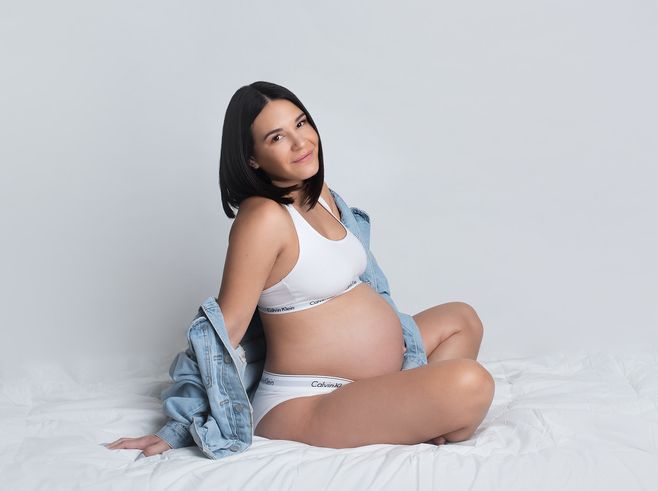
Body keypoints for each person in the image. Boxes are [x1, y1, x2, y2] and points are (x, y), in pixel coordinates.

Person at [105, 82, 495, 457]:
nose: (300, 142)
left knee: (462, 318)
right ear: (252, 158)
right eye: (276, 137)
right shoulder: (262, 218)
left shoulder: (320, 193)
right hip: (311, 398)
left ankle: (409, 410)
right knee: (470, 383)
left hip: (371, 379)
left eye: (301, 123)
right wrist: (177, 428)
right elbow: (225, 329)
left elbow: (368, 290)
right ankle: (424, 411)